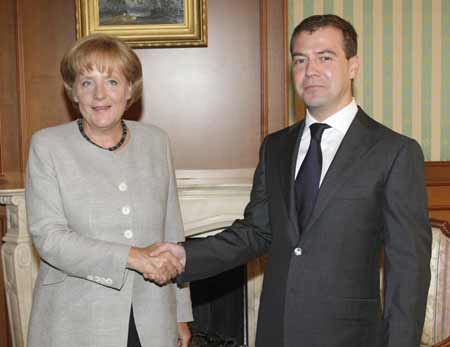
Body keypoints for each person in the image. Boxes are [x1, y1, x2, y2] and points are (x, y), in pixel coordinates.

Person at [151, 14, 432, 347]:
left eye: (325, 57)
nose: (310, 70)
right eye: (300, 60)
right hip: (276, 332)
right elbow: (258, 231)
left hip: (351, 337)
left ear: (353, 66)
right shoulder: (276, 147)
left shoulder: (394, 152)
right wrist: (185, 256)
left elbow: (409, 269)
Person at [25, 34, 192, 347]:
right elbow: (49, 238)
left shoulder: (156, 141)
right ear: (73, 91)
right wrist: (133, 257)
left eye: (112, 81)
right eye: (87, 82)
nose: (99, 94)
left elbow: (172, 231)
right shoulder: (47, 145)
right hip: (75, 319)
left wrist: (180, 313)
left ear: (130, 89)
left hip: (152, 317)